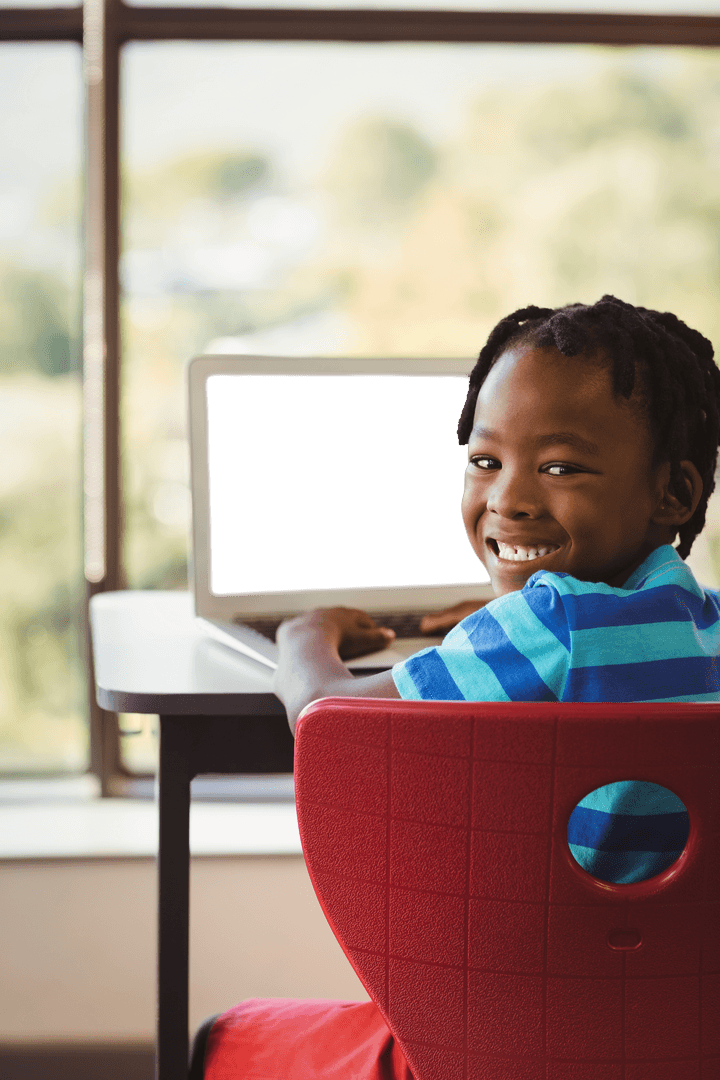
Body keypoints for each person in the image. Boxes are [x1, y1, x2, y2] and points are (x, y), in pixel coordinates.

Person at [203, 295, 720, 1078]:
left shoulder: (543, 625)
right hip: (683, 1033)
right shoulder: (703, 623)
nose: (508, 498)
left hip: (499, 1040)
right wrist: (499, 613)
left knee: (221, 1034)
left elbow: (329, 720)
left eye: (560, 467)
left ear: (673, 495)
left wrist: (302, 636)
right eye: (486, 461)